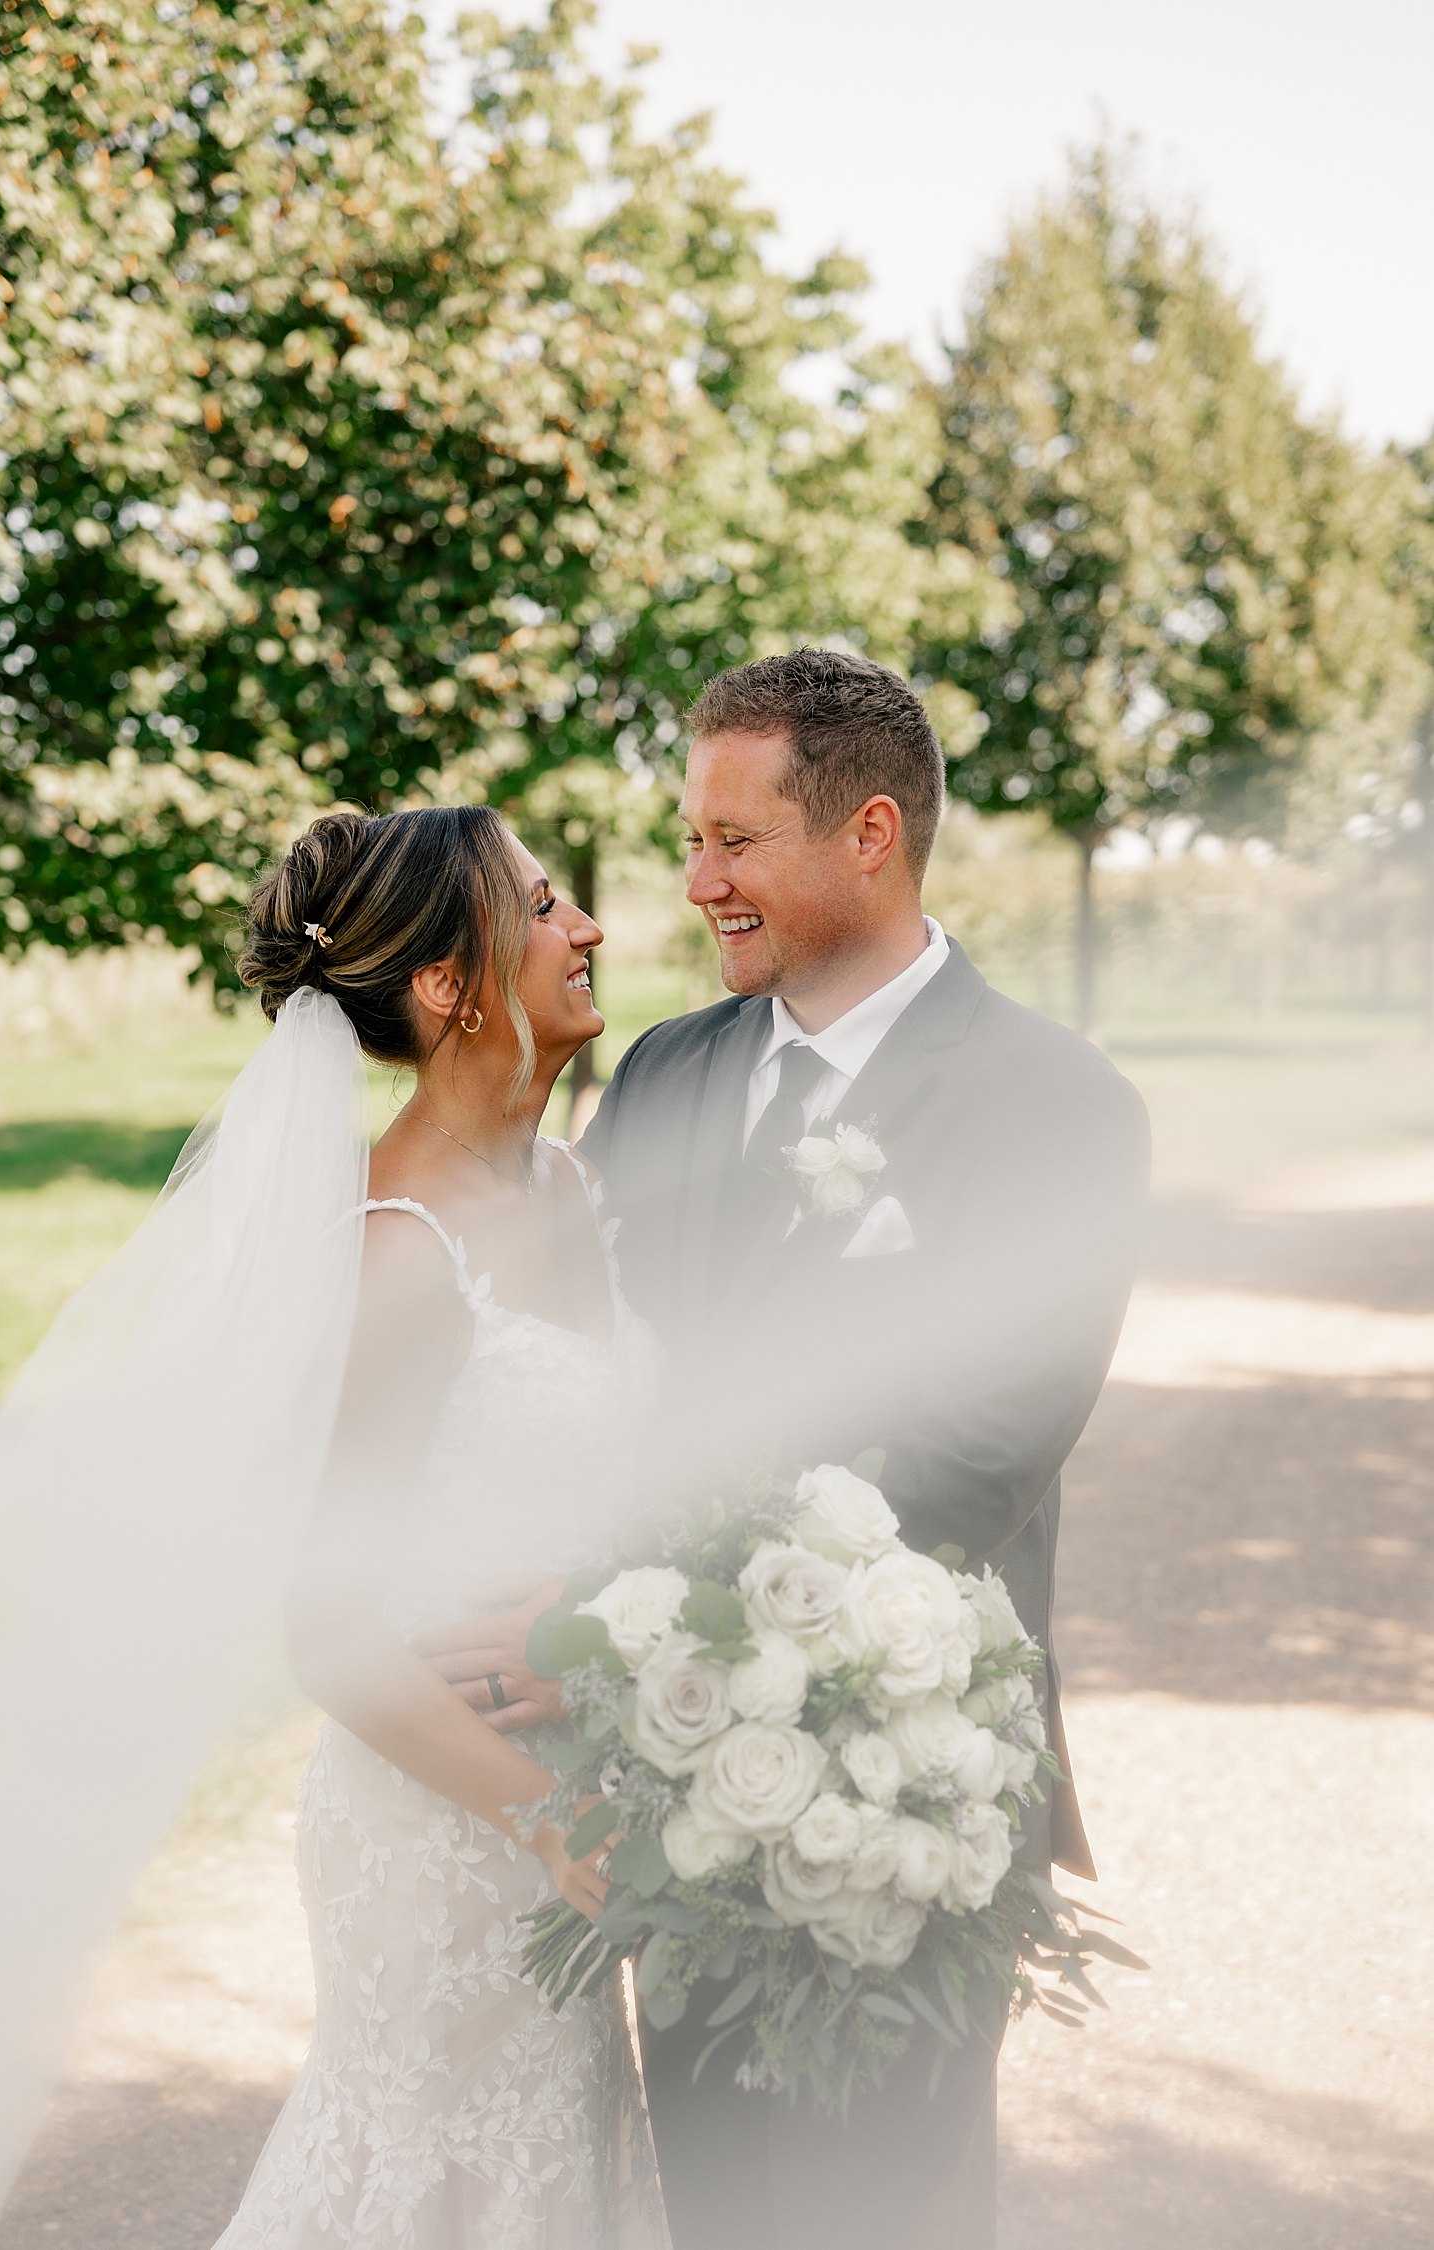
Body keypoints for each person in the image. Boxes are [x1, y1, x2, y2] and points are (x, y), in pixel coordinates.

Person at [426, 651, 1151, 2250]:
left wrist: (604, 1610)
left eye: (735, 843)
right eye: (693, 840)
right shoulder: (669, 1075)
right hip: (666, 1786)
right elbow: (590, 1380)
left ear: (870, 833)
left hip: (900, 1784)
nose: (696, 884)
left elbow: (968, 1457)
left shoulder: (1056, 1105)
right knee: (722, 2210)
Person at [0, 804, 667, 2250]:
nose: (585, 926)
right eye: (542, 907)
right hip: (452, 1820)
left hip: (576, 1782)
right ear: (450, 987)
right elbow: (328, 1629)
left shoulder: (575, 1187)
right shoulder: (400, 1256)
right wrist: (553, 1814)